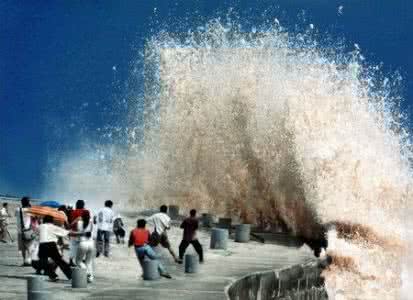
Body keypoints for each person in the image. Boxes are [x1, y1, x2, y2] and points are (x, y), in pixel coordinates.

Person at [38, 215, 72, 281]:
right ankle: (70, 275)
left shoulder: (41, 226)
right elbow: (65, 233)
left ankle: (53, 275)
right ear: (52, 221)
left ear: (44, 220)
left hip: (42, 245)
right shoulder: (53, 227)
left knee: (43, 262)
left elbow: (35, 233)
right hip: (51, 245)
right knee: (59, 261)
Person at [71, 210, 95, 283]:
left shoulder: (79, 223)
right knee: (89, 261)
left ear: (82, 216)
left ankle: (87, 273)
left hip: (83, 243)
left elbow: (77, 230)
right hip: (91, 243)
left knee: (78, 261)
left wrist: (76, 220)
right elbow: (89, 231)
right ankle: (90, 278)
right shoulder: (91, 222)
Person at [15, 197, 35, 266]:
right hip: (28, 231)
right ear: (28, 202)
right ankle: (30, 260)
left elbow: (16, 215)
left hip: (20, 231)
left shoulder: (18, 209)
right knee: (30, 247)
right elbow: (34, 217)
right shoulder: (29, 210)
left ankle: (24, 261)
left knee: (23, 248)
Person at [68, 200, 87, 266]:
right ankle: (82, 260)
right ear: (83, 205)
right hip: (81, 232)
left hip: (73, 232)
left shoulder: (72, 212)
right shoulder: (85, 212)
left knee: (73, 247)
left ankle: (70, 260)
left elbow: (70, 221)